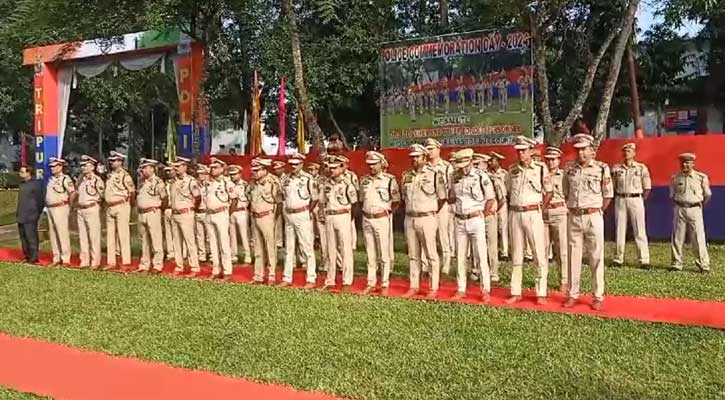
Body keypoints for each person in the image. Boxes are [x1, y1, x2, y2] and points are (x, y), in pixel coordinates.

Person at [562, 134, 613, 311]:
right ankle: (573, 294)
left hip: (593, 215)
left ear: (592, 150)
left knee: (596, 256)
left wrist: (597, 210)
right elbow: (566, 192)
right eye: (578, 149)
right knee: (573, 256)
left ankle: (597, 296)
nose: (581, 152)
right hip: (574, 216)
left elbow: (607, 194)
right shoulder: (569, 169)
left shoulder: (601, 168)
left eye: (584, 149)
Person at [505, 136, 553, 305]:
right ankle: (515, 291)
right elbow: (509, 191)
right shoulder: (512, 170)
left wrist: (540, 208)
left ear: (530, 151)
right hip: (516, 213)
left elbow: (549, 191)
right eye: (518, 151)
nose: (520, 154)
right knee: (516, 253)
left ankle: (541, 293)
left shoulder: (540, 168)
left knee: (538, 253)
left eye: (523, 150)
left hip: (533, 212)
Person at [449, 149, 495, 301]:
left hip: (475, 218)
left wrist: (484, 213)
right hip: (460, 219)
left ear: (470, 161)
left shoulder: (481, 176)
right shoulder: (454, 177)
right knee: (461, 256)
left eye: (464, 164)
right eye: (459, 165)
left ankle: (485, 289)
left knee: (481, 255)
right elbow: (452, 197)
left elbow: (490, 198)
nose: (462, 168)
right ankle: (461, 288)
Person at [401, 144, 447, 298]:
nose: (414, 159)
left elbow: (442, 198)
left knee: (431, 254)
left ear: (424, 157)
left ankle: (433, 287)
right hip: (410, 217)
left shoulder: (435, 174)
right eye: (412, 157)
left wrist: (431, 211)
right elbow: (403, 198)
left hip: (427, 217)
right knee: (413, 254)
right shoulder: (406, 175)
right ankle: (414, 285)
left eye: (417, 156)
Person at [360, 151, 400, 295]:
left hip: (381, 217)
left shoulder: (389, 180)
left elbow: (396, 201)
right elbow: (361, 200)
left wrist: (387, 213)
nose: (371, 167)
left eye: (374, 164)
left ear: (381, 164)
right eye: (369, 165)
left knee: (383, 252)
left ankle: (384, 281)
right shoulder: (364, 180)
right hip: (367, 218)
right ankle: (371, 281)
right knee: (370, 252)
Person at [320, 156, 358, 291]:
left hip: (343, 215)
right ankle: (330, 279)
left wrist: (349, 218)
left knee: (345, 249)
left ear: (341, 168)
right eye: (330, 168)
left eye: (335, 168)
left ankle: (347, 280)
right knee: (331, 249)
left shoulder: (347, 184)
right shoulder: (326, 184)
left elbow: (354, 204)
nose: (331, 170)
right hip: (330, 215)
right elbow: (322, 201)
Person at [611, 143, 652, 269]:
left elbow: (647, 188)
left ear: (634, 153)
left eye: (629, 151)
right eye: (625, 151)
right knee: (620, 229)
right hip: (621, 198)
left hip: (636, 198)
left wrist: (640, 199)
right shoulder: (617, 169)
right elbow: (612, 186)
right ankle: (618, 258)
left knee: (639, 229)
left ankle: (644, 259)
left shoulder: (641, 168)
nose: (626, 153)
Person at [280, 154, 318, 288]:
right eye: (291, 164)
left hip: (302, 213)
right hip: (289, 214)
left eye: (296, 164)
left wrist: (308, 210)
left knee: (306, 247)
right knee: (289, 248)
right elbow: (283, 196)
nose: (293, 167)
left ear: (302, 164)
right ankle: (287, 277)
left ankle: (311, 278)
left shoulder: (308, 179)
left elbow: (315, 198)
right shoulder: (286, 179)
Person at [670, 153, 711, 273]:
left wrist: (699, 205)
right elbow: (672, 195)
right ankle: (676, 263)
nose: (684, 165)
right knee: (677, 237)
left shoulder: (701, 177)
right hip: (680, 208)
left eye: (688, 162)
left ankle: (704, 264)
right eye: (682, 162)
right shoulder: (675, 178)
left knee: (698, 237)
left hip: (695, 209)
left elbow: (707, 194)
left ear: (693, 163)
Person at [249, 158, 281, 284]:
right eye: (254, 170)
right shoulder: (253, 182)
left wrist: (275, 218)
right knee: (258, 247)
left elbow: (279, 202)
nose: (254, 173)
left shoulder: (273, 181)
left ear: (264, 169)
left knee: (270, 246)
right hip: (255, 216)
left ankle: (272, 274)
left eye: (257, 170)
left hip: (267, 215)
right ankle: (258, 275)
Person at [169, 156, 202, 277]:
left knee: (190, 241)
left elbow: (197, 197)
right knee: (176, 241)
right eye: (175, 166)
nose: (175, 169)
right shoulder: (174, 181)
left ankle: (195, 266)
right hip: (175, 214)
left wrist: (193, 207)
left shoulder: (190, 181)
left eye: (178, 166)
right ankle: (179, 266)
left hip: (186, 213)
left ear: (185, 167)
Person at [425, 138, 454, 275]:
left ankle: (446, 264)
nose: (429, 152)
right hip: (426, 206)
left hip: (443, 205)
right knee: (427, 237)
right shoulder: (424, 167)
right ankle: (426, 264)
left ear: (438, 149)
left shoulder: (446, 166)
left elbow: (451, 187)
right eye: (427, 149)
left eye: (431, 149)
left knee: (443, 235)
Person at [205, 157, 237, 280]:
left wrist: (228, 214)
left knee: (224, 243)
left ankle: (227, 271)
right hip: (209, 214)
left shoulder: (227, 183)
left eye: (215, 167)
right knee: (213, 244)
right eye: (212, 167)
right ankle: (216, 269)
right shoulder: (209, 183)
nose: (212, 169)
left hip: (221, 213)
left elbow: (234, 200)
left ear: (222, 169)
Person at [103, 151, 135, 271]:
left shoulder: (125, 176)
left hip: (122, 205)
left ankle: (125, 261)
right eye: (111, 160)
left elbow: (132, 192)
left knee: (123, 234)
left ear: (120, 162)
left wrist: (129, 204)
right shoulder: (110, 175)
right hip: (110, 206)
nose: (111, 162)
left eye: (114, 160)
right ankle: (111, 261)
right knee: (110, 236)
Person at [134, 158, 166, 274]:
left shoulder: (158, 182)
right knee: (144, 241)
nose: (142, 170)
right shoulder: (142, 181)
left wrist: (158, 208)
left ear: (152, 169)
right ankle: (144, 264)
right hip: (142, 213)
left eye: (145, 168)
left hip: (153, 212)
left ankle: (157, 265)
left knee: (156, 239)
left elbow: (164, 198)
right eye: (142, 168)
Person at [543, 147, 569, 292]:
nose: (551, 162)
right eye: (548, 159)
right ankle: (543, 279)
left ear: (559, 160)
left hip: (559, 212)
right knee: (543, 249)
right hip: (544, 212)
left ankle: (563, 280)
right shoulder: (541, 174)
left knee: (562, 249)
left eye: (553, 159)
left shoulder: (564, 175)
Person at [76, 155, 105, 269]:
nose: (83, 168)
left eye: (85, 165)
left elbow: (102, 196)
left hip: (92, 208)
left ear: (92, 167)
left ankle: (95, 261)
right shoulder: (80, 180)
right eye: (82, 165)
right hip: (81, 209)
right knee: (82, 237)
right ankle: (84, 260)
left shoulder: (97, 180)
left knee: (94, 236)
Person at [45, 157, 74, 266]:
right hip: (50, 208)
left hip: (60, 207)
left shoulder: (65, 179)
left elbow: (72, 193)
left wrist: (70, 206)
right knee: (53, 234)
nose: (52, 168)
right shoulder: (51, 179)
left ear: (60, 167)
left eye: (54, 166)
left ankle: (65, 258)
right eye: (51, 166)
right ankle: (56, 257)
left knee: (62, 233)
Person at [16, 166, 44, 264]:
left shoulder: (35, 184)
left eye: (22, 172)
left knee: (31, 237)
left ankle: (34, 257)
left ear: (29, 173)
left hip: (31, 215)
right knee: (23, 237)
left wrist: (37, 212)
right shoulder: (21, 184)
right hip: (21, 215)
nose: (20, 173)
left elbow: (40, 200)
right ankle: (27, 256)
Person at [229, 165, 252, 265]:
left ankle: (248, 256)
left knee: (244, 235)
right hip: (231, 211)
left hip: (242, 211)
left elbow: (250, 198)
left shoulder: (245, 184)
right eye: (231, 174)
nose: (232, 176)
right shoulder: (228, 184)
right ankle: (234, 256)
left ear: (240, 174)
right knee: (232, 235)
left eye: (234, 174)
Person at [488, 151, 509, 260]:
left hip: (503, 202)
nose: (490, 162)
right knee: (492, 229)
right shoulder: (488, 174)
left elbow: (508, 189)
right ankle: (494, 250)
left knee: (503, 228)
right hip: (491, 203)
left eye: (493, 160)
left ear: (498, 161)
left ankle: (504, 251)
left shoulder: (504, 174)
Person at [195, 164, 211, 263]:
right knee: (199, 236)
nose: (200, 176)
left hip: (207, 212)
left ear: (206, 174)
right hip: (198, 212)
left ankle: (212, 255)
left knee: (210, 236)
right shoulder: (196, 185)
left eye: (202, 174)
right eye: (199, 174)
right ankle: (202, 255)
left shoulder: (210, 185)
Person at [272, 160, 287, 249]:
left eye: (278, 169)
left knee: (288, 223)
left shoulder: (287, 178)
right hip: (277, 202)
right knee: (278, 221)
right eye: (275, 169)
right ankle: (279, 242)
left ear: (283, 169)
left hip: (286, 201)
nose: (276, 170)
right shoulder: (273, 178)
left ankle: (287, 241)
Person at [162, 165, 177, 260]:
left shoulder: (178, 182)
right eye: (167, 171)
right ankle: (170, 252)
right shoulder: (164, 183)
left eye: (170, 171)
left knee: (176, 232)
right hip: (166, 209)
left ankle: (180, 252)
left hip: (175, 209)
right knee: (168, 232)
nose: (168, 173)